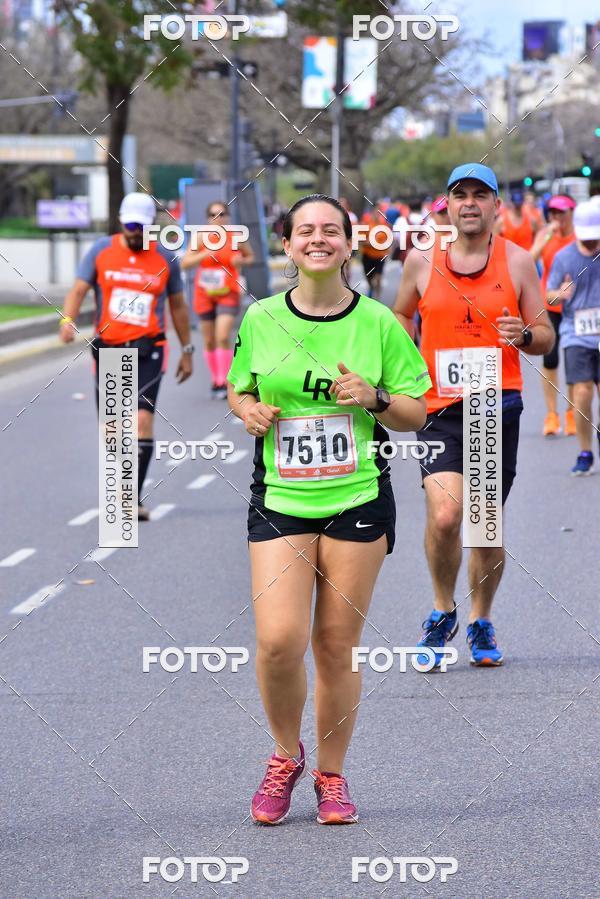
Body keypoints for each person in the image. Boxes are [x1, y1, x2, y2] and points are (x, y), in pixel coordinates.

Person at [227, 193, 431, 825]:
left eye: (331, 231)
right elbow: (240, 387)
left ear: (349, 245)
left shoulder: (377, 323)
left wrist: (373, 397)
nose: (318, 239)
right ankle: (286, 756)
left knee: (335, 645)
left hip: (357, 499)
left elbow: (416, 413)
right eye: (304, 231)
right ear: (287, 245)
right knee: (278, 642)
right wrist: (248, 411)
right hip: (283, 498)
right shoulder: (261, 318)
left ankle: (332, 776)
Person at [393, 163, 554, 667]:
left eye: (480, 195)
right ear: (447, 205)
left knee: (485, 525)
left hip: (493, 402)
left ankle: (481, 619)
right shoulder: (421, 261)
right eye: (460, 194)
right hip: (438, 404)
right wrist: (408, 358)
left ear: (495, 207)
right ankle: (443, 611)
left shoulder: (520, 262)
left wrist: (523, 335)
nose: (469, 203)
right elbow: (401, 313)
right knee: (445, 515)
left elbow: (544, 336)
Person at [59, 192, 193, 520]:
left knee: (142, 421)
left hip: (149, 349)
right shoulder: (101, 251)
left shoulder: (165, 257)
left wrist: (187, 350)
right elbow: (78, 290)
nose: (136, 231)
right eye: (131, 224)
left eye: (142, 226)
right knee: (113, 429)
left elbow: (177, 306)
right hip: (110, 349)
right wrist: (67, 320)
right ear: (121, 221)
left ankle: (132, 496)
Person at [546, 200, 600, 475]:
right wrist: (560, 293)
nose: (592, 242)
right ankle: (585, 450)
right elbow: (548, 295)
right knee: (582, 392)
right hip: (575, 332)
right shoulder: (564, 257)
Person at [182, 201, 254, 399]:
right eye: (214, 214)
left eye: (223, 214)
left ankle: (225, 380)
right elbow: (185, 263)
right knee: (209, 339)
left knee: (222, 336)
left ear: (228, 217)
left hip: (228, 292)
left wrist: (241, 261)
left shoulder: (236, 236)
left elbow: (251, 257)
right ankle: (216, 379)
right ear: (208, 218)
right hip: (204, 293)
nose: (219, 218)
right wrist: (205, 253)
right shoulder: (201, 237)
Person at [530, 195, 577, 436]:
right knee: (550, 361)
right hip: (549, 305)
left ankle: (571, 414)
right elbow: (530, 261)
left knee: (572, 362)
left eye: (561, 212)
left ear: (572, 212)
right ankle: (551, 415)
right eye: (553, 212)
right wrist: (544, 238)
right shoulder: (545, 234)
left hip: (574, 307)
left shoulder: (579, 236)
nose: (556, 217)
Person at [358, 200, 389, 299]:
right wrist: (370, 243)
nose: (378, 214)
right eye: (376, 212)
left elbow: (387, 240)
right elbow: (360, 239)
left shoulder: (384, 224)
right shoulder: (366, 223)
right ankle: (371, 288)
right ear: (372, 212)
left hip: (380, 256)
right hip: (367, 255)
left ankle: (377, 298)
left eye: (380, 212)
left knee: (378, 278)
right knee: (369, 277)